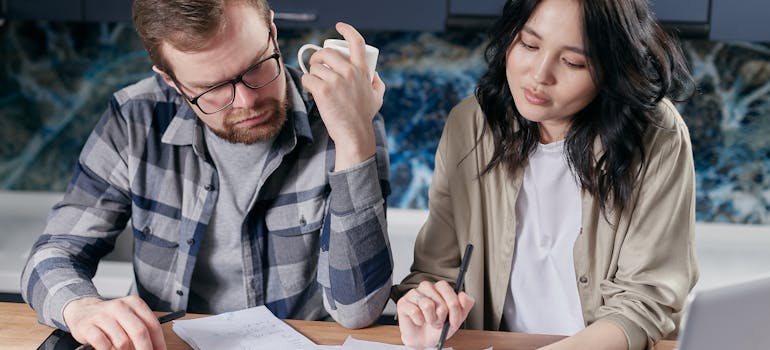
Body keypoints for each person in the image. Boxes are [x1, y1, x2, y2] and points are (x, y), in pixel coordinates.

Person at [21, 0, 393, 348]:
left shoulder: (345, 113)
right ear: (170, 81)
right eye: (211, 89)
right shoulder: (134, 118)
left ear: (273, 34)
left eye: (255, 67)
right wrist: (81, 307)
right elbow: (53, 254)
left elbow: (357, 309)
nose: (247, 102)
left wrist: (353, 138)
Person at [393, 0, 698, 349]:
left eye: (573, 62)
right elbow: (437, 272)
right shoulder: (471, 124)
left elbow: (645, 303)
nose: (540, 75)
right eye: (529, 44)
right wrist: (428, 308)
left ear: (612, 67)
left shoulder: (657, 134)